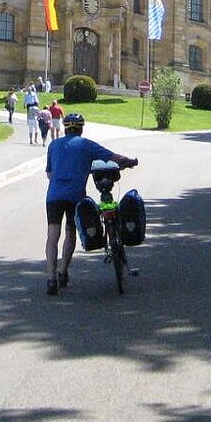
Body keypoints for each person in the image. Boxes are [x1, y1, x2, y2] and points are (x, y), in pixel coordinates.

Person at [43, 112, 136, 295]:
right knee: (71, 232)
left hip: (53, 195)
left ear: (65, 128)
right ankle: (63, 272)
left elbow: (49, 173)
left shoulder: (54, 145)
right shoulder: (86, 145)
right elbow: (112, 157)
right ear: (81, 128)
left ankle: (51, 279)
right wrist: (129, 161)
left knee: (52, 235)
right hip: (75, 195)